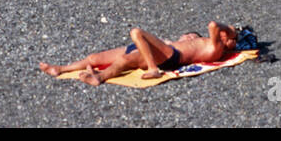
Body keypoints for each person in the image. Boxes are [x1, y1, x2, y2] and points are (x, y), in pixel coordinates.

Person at [39, 22, 239, 85]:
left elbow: (214, 26)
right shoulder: (198, 42)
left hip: (170, 57)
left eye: (191, 36)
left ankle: (100, 77)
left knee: (134, 39)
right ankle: (61, 68)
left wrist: (230, 30)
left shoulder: (215, 48)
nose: (187, 36)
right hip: (161, 49)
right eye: (187, 35)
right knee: (94, 58)